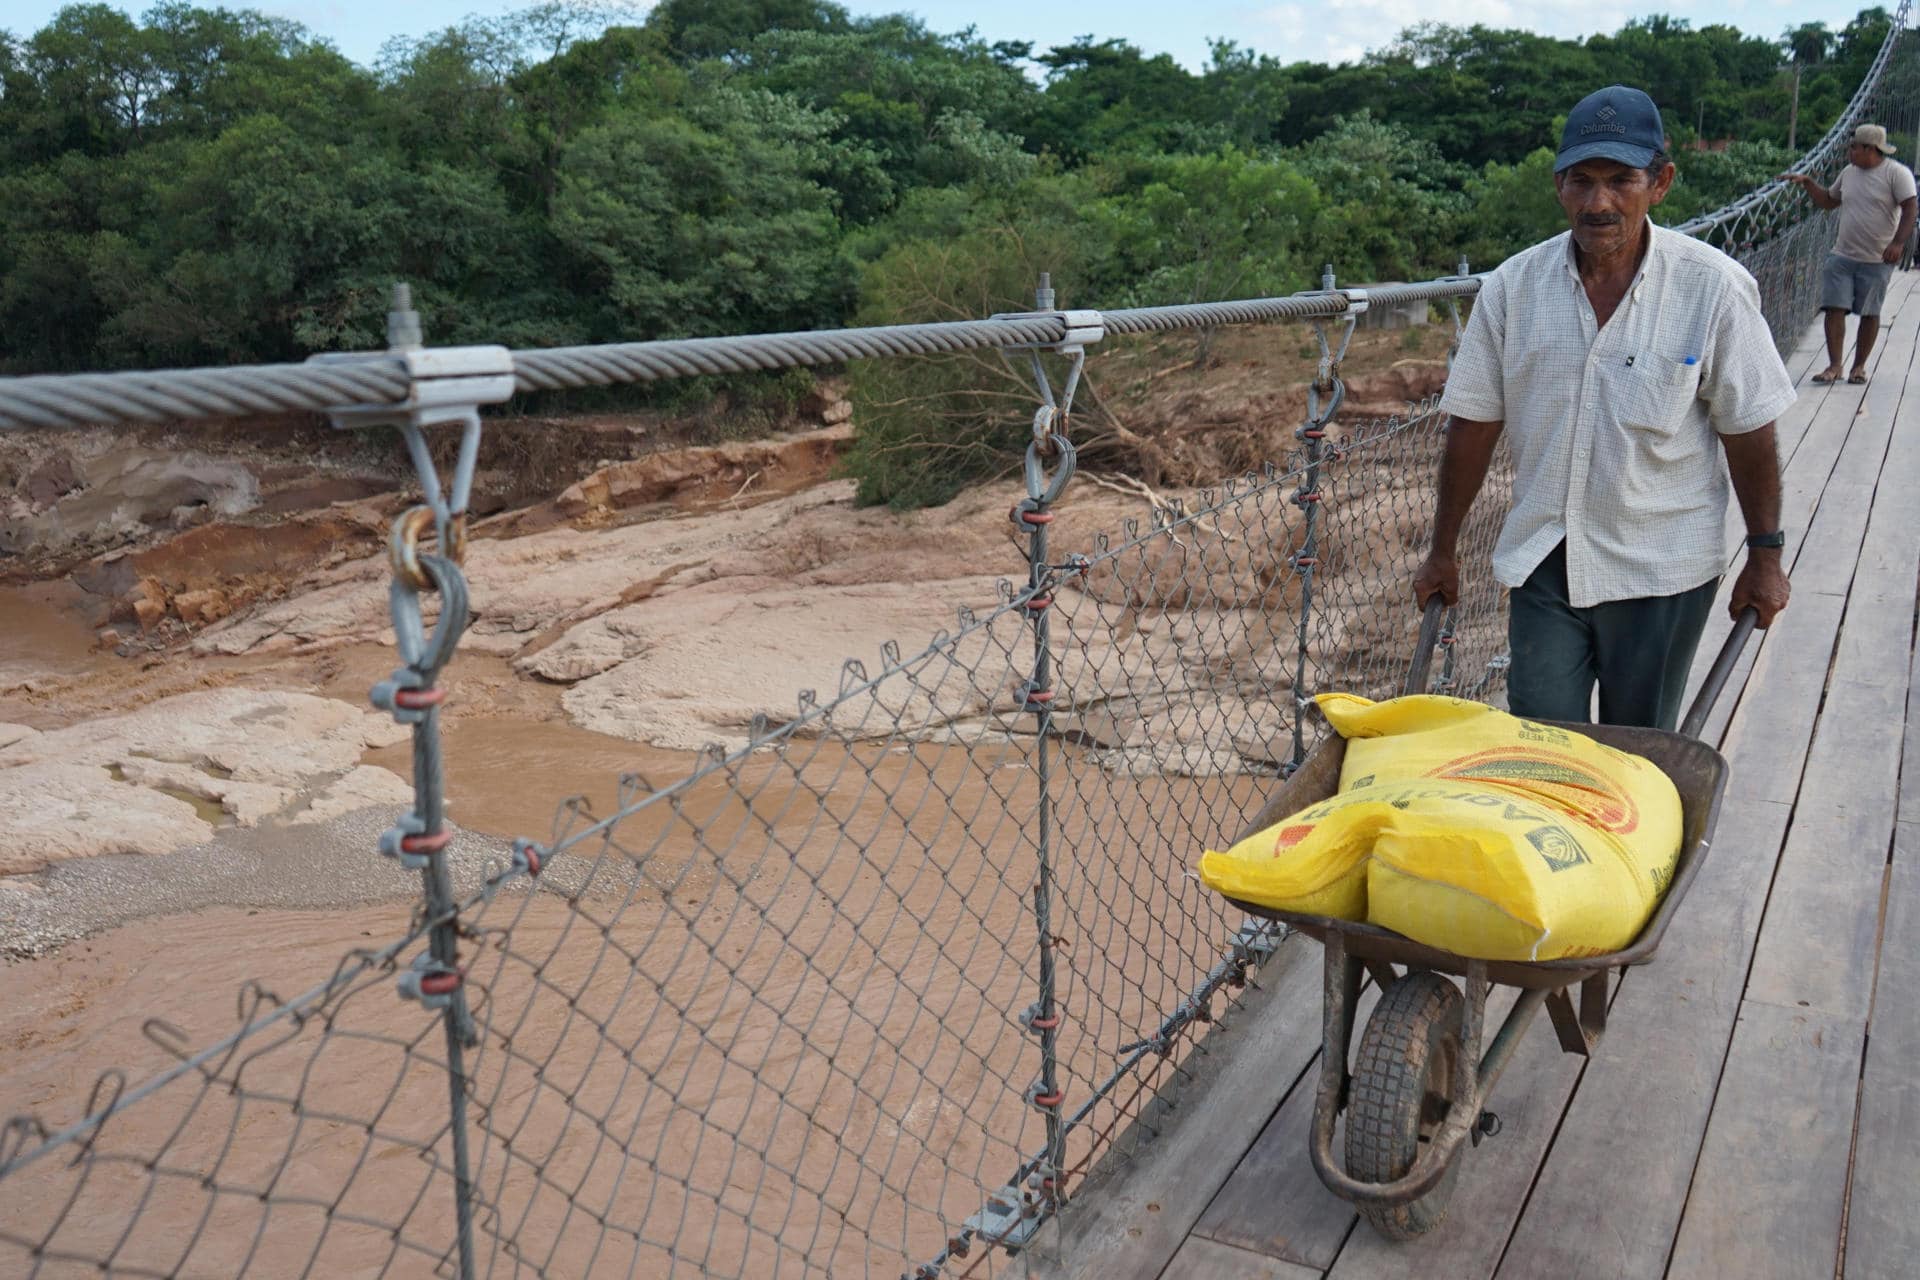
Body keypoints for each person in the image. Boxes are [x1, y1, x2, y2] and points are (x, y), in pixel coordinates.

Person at [1412, 85, 1796, 732]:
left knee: (1635, 756)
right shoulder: (1511, 289)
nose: (1599, 203)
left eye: (1621, 180)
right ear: (1558, 184)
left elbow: (1749, 430)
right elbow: (1472, 425)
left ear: (1661, 183)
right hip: (1545, 559)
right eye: (1581, 181)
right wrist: (1441, 548)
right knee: (1542, 744)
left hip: (1662, 566)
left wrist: (1766, 554)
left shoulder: (1713, 289)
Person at [1781, 124, 1917, 384]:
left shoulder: (1896, 174)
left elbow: (1911, 209)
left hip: (1877, 258)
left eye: (1853, 147)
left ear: (1869, 149)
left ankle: (1859, 367)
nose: (1849, 151)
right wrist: (1809, 184)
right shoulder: (1848, 173)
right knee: (1834, 308)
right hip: (1842, 255)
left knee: (1869, 312)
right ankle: (1834, 366)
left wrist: (1899, 243)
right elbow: (1829, 202)